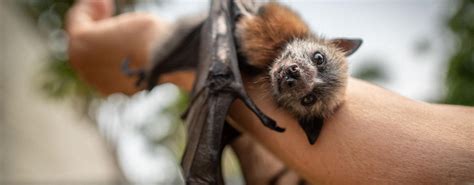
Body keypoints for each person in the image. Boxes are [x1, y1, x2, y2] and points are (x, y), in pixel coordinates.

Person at [67, 0, 474, 184]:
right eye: (317, 62)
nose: (302, 78)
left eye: (309, 98)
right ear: (333, 44)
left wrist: (148, 48)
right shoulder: (278, 27)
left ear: (304, 117)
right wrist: (150, 45)